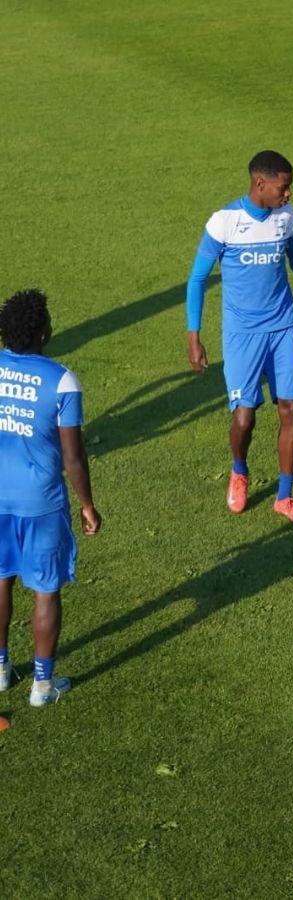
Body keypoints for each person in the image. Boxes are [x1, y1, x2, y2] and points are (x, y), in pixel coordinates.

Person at [186, 150, 293, 525]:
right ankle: (239, 470)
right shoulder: (224, 222)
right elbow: (198, 278)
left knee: (290, 408)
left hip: (283, 327)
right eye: (284, 186)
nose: (289, 193)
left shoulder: (286, 218)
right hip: (242, 334)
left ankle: (284, 495)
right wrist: (194, 336)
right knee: (245, 417)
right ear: (260, 183)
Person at [0, 289, 101, 707]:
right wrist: (88, 504)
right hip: (40, 503)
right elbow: (73, 456)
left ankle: (1, 669)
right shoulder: (61, 380)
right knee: (45, 590)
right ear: (43, 333)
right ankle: (42, 685)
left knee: (1, 578)